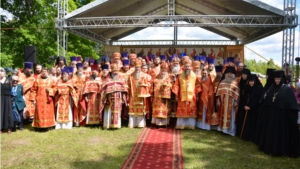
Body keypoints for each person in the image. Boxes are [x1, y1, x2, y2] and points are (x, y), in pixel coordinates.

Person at [258, 70, 299, 157]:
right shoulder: (272, 87)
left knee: (278, 133)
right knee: (270, 132)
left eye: (278, 79)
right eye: (276, 79)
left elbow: (291, 104)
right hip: (271, 115)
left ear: (282, 79)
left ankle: (277, 150)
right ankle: (268, 148)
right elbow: (267, 100)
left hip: (281, 117)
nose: (277, 81)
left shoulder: (287, 89)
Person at [172, 61, 201, 129]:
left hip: (192, 97)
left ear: (191, 67)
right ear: (184, 67)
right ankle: (181, 125)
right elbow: (176, 85)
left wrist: (197, 95)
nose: (187, 68)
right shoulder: (180, 76)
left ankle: (190, 125)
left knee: (191, 110)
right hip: (182, 96)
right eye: (186, 66)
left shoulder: (194, 76)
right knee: (182, 110)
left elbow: (198, 85)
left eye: (188, 66)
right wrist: (176, 95)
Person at [99, 63, 128, 129]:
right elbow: (104, 89)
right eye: (114, 71)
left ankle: (117, 125)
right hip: (109, 99)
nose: (115, 73)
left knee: (117, 112)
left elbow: (124, 89)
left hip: (118, 98)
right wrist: (106, 97)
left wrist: (123, 98)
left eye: (116, 71)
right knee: (109, 112)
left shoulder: (121, 80)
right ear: (111, 71)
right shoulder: (107, 80)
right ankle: (108, 125)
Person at [237, 74, 263, 140]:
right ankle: (244, 135)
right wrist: (245, 105)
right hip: (246, 108)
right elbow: (244, 97)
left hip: (254, 109)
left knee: (252, 123)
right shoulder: (247, 87)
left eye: (252, 81)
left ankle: (251, 137)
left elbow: (257, 99)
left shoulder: (258, 88)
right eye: (250, 81)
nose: (251, 83)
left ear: (255, 81)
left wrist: (250, 106)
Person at [127, 60, 152, 128]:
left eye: (138, 67)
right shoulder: (131, 76)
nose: (137, 69)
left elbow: (150, 84)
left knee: (141, 110)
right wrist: (127, 95)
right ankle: (132, 123)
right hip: (133, 95)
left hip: (141, 96)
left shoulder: (145, 76)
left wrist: (145, 86)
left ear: (140, 67)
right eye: (136, 67)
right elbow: (128, 86)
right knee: (132, 110)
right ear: (134, 67)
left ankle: (140, 124)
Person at [216, 66, 240, 136]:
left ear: (233, 74)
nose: (229, 75)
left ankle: (229, 131)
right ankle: (222, 129)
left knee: (231, 117)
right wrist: (218, 100)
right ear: (226, 74)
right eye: (228, 73)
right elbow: (219, 93)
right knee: (222, 115)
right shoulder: (222, 82)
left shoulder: (236, 83)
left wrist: (236, 102)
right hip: (223, 102)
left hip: (231, 103)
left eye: (230, 73)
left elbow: (238, 94)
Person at [236, 69, 251, 136]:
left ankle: (242, 133)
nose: (243, 76)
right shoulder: (241, 81)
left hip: (245, 102)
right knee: (239, 116)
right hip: (240, 101)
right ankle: (238, 131)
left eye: (245, 75)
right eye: (242, 74)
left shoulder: (249, 83)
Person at [0, 67, 14, 134]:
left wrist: (12, 98)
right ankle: (1, 128)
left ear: (4, 72)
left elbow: (12, 90)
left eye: (1, 71)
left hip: (7, 98)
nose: (0, 72)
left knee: (8, 113)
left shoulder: (9, 80)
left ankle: (9, 127)